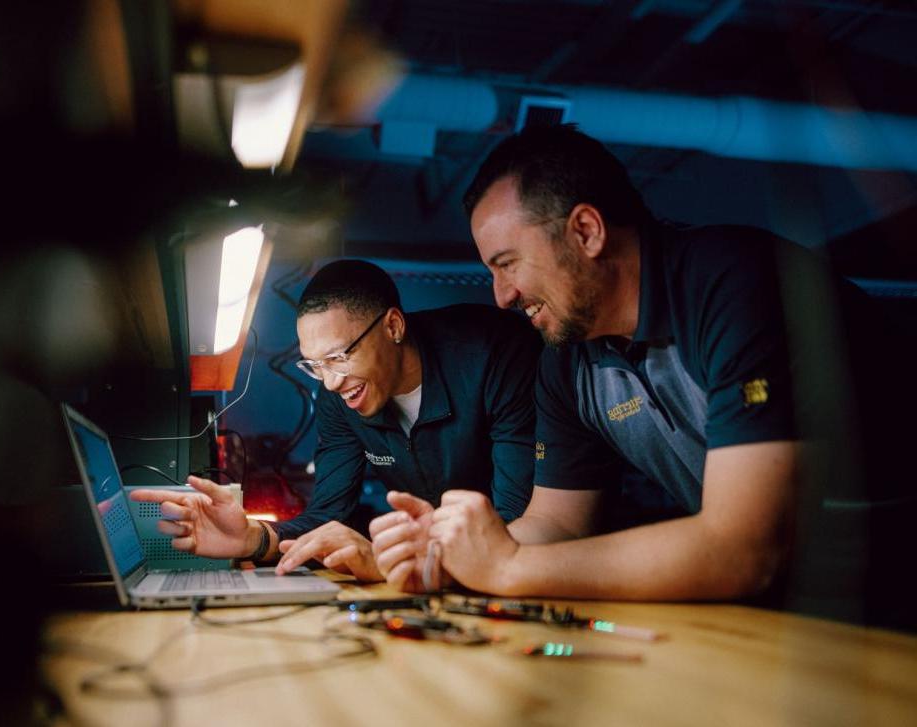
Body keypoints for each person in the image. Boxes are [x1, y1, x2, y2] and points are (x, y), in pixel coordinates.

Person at [369, 124, 913, 623]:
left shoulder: (735, 285)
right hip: (804, 613)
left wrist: (506, 570)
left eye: (507, 263)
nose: (501, 295)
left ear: (586, 231)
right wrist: (450, 556)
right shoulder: (567, 361)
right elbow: (556, 525)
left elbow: (745, 546)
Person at [131, 259, 542, 583]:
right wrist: (253, 538)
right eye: (314, 365)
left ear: (393, 326)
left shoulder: (493, 353)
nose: (329, 382)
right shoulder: (342, 396)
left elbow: (514, 520)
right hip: (447, 581)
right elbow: (330, 516)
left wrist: (386, 560)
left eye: (338, 358)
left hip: (528, 571)